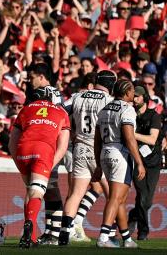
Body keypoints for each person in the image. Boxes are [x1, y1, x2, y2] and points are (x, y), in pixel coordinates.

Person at [59, 70, 117, 245]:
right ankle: (110, 235)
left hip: (80, 148)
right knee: (112, 195)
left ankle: (64, 233)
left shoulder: (78, 96)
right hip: (100, 149)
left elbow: (61, 112)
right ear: (111, 85)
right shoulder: (110, 101)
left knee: (75, 194)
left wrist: (71, 131)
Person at [9, 87, 70, 248]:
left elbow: (11, 142)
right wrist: (49, 164)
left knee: (30, 190)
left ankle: (31, 237)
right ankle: (30, 225)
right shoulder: (61, 112)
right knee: (37, 191)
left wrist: (19, 163)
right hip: (43, 151)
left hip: (23, 149)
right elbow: (63, 147)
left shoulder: (26, 109)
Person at [94, 79, 145, 248]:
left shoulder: (104, 109)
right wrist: (139, 162)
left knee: (120, 199)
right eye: (132, 90)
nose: (134, 94)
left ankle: (127, 239)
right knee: (116, 197)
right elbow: (130, 139)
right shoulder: (127, 109)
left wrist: (98, 164)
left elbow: (96, 140)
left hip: (104, 153)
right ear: (126, 92)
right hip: (119, 154)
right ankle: (103, 237)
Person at [128, 86, 164, 240]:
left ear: (144, 98)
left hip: (154, 162)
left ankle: (133, 214)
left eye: (137, 96)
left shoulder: (154, 116)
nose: (134, 99)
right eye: (133, 96)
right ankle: (143, 232)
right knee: (143, 195)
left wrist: (132, 134)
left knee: (147, 201)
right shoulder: (129, 115)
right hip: (137, 160)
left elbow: (152, 139)